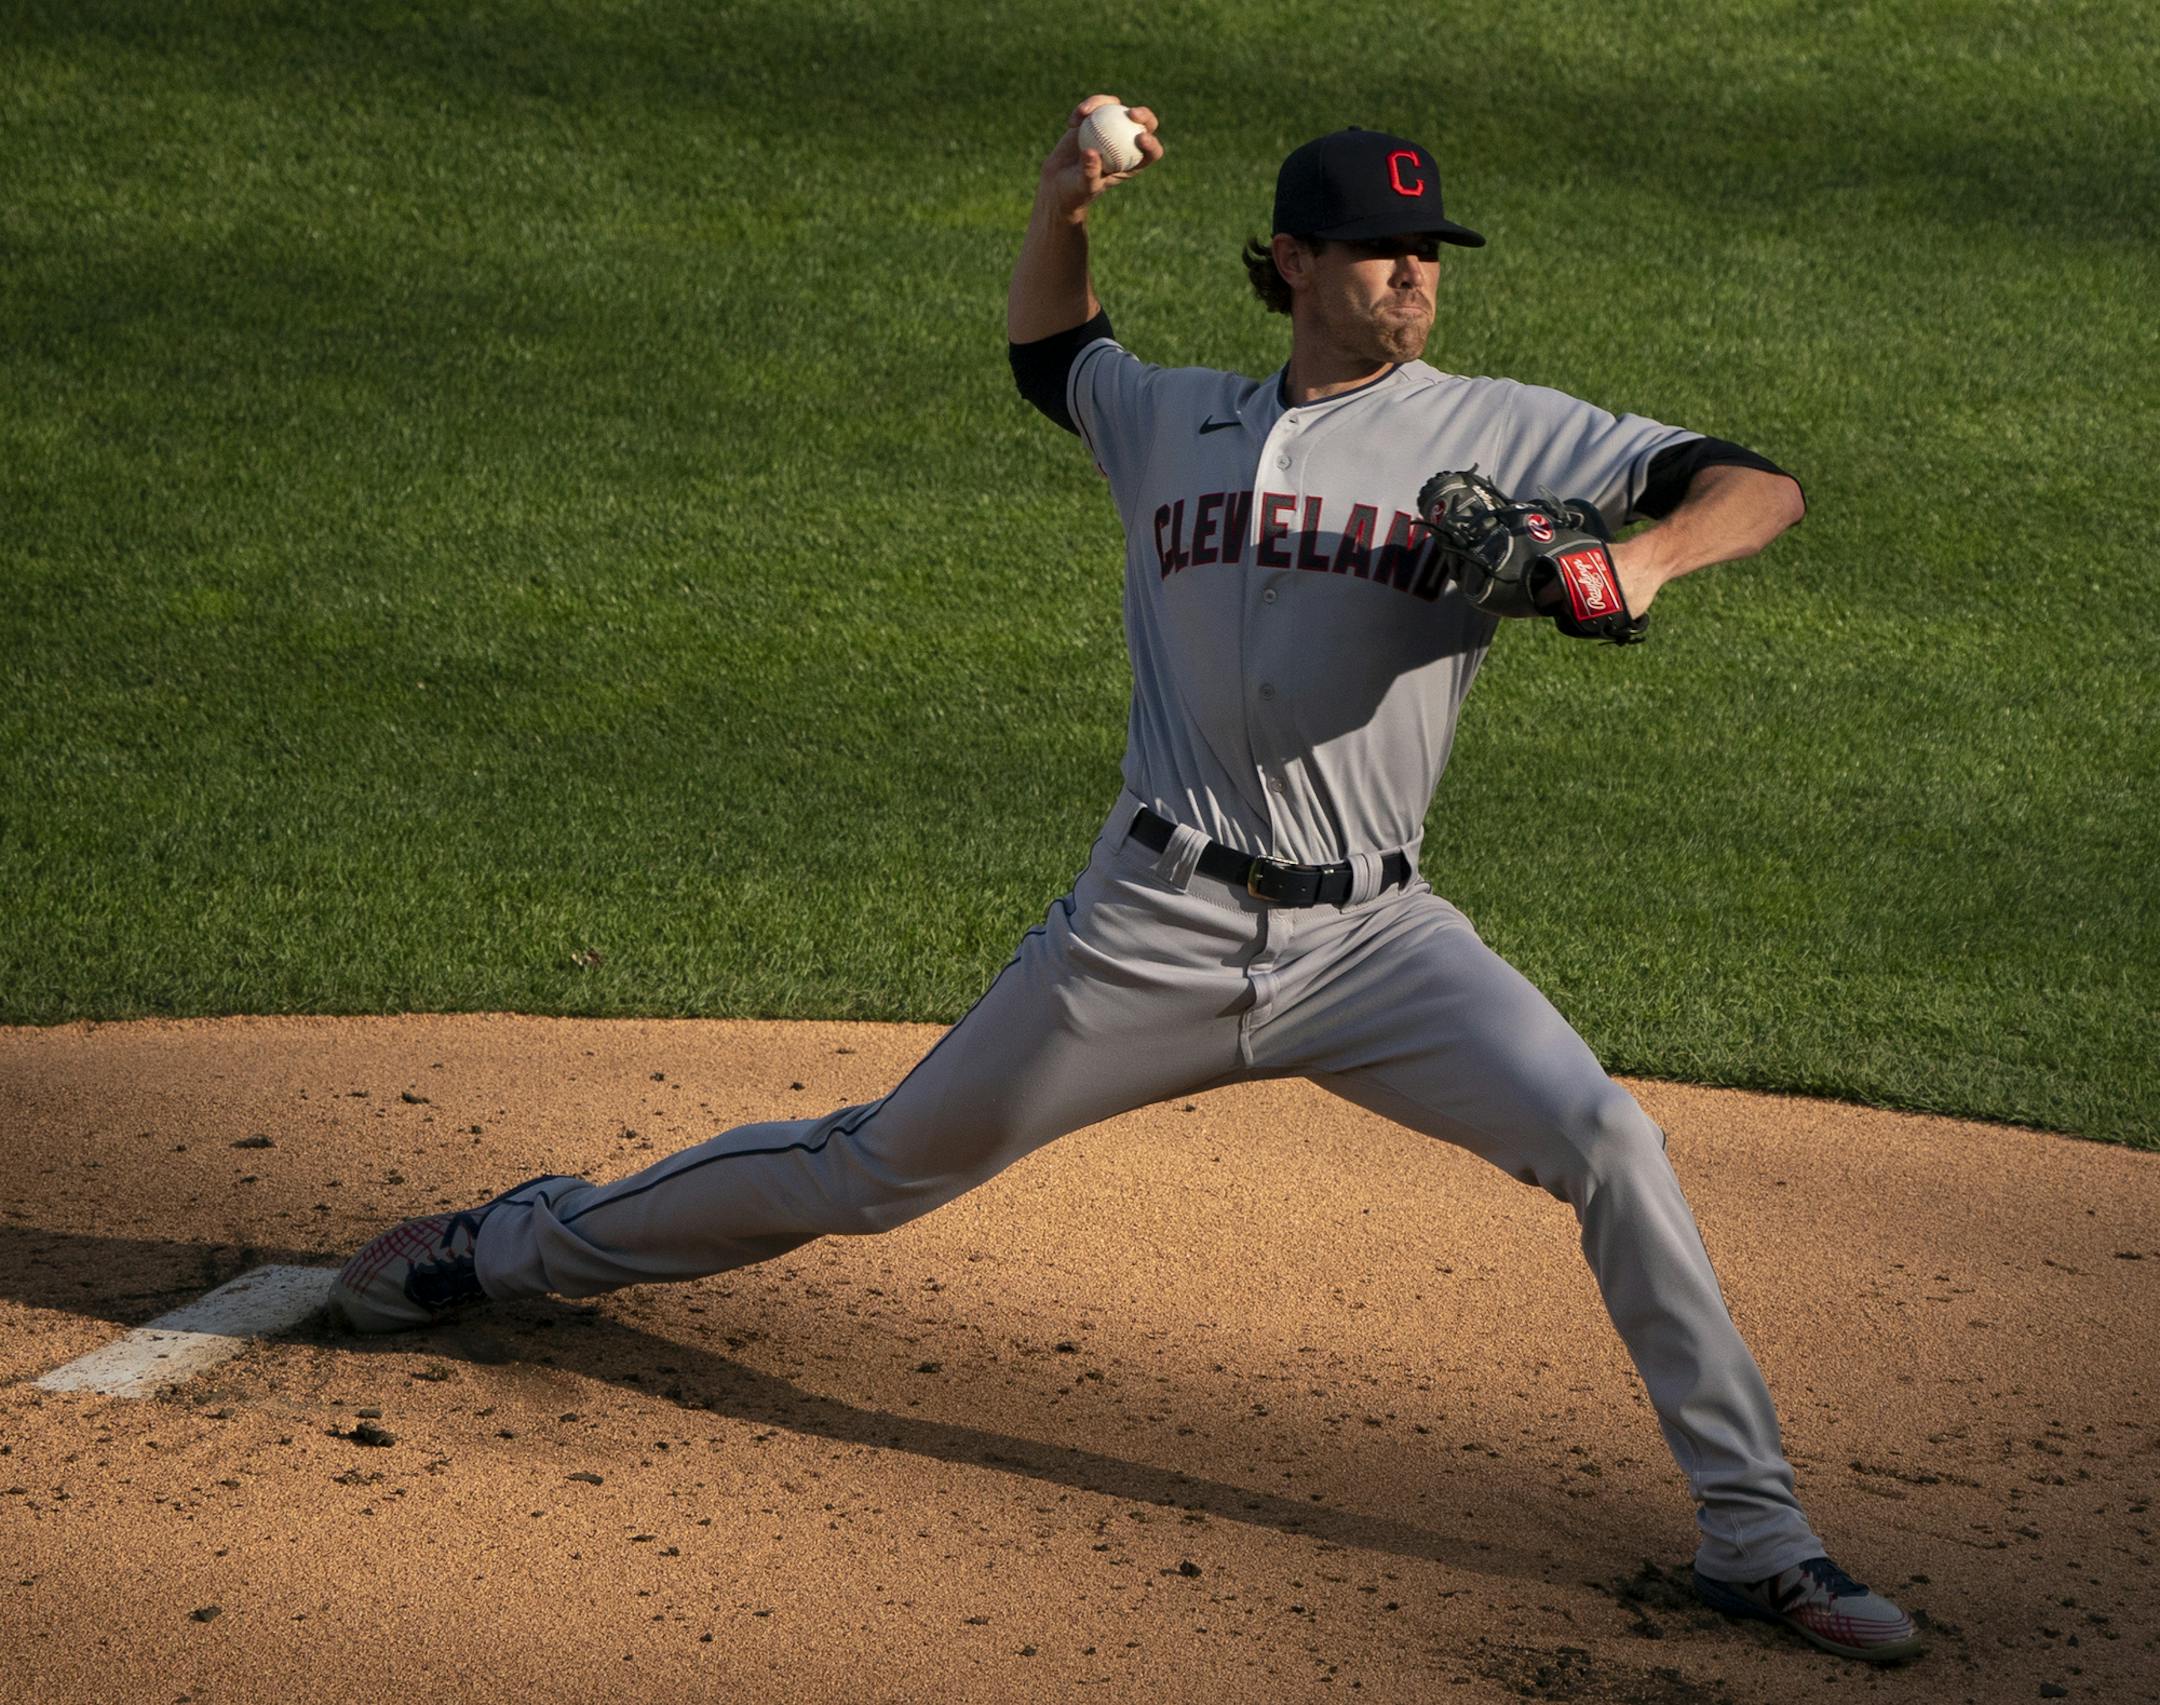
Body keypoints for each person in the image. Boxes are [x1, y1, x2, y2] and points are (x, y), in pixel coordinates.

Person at [331, 97, 1922, 1665]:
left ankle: (1759, 1538)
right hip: (1149, 923)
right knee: (877, 1165)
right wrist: (1066, 200)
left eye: (1428, 250)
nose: (1413, 276)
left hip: (1376, 938)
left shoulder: (1498, 424)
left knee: (1608, 1137)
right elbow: (1051, 355)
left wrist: (1638, 562)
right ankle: (514, 1240)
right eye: (1377, 251)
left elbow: (1753, 481)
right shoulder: (1171, 420)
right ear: (1293, 261)